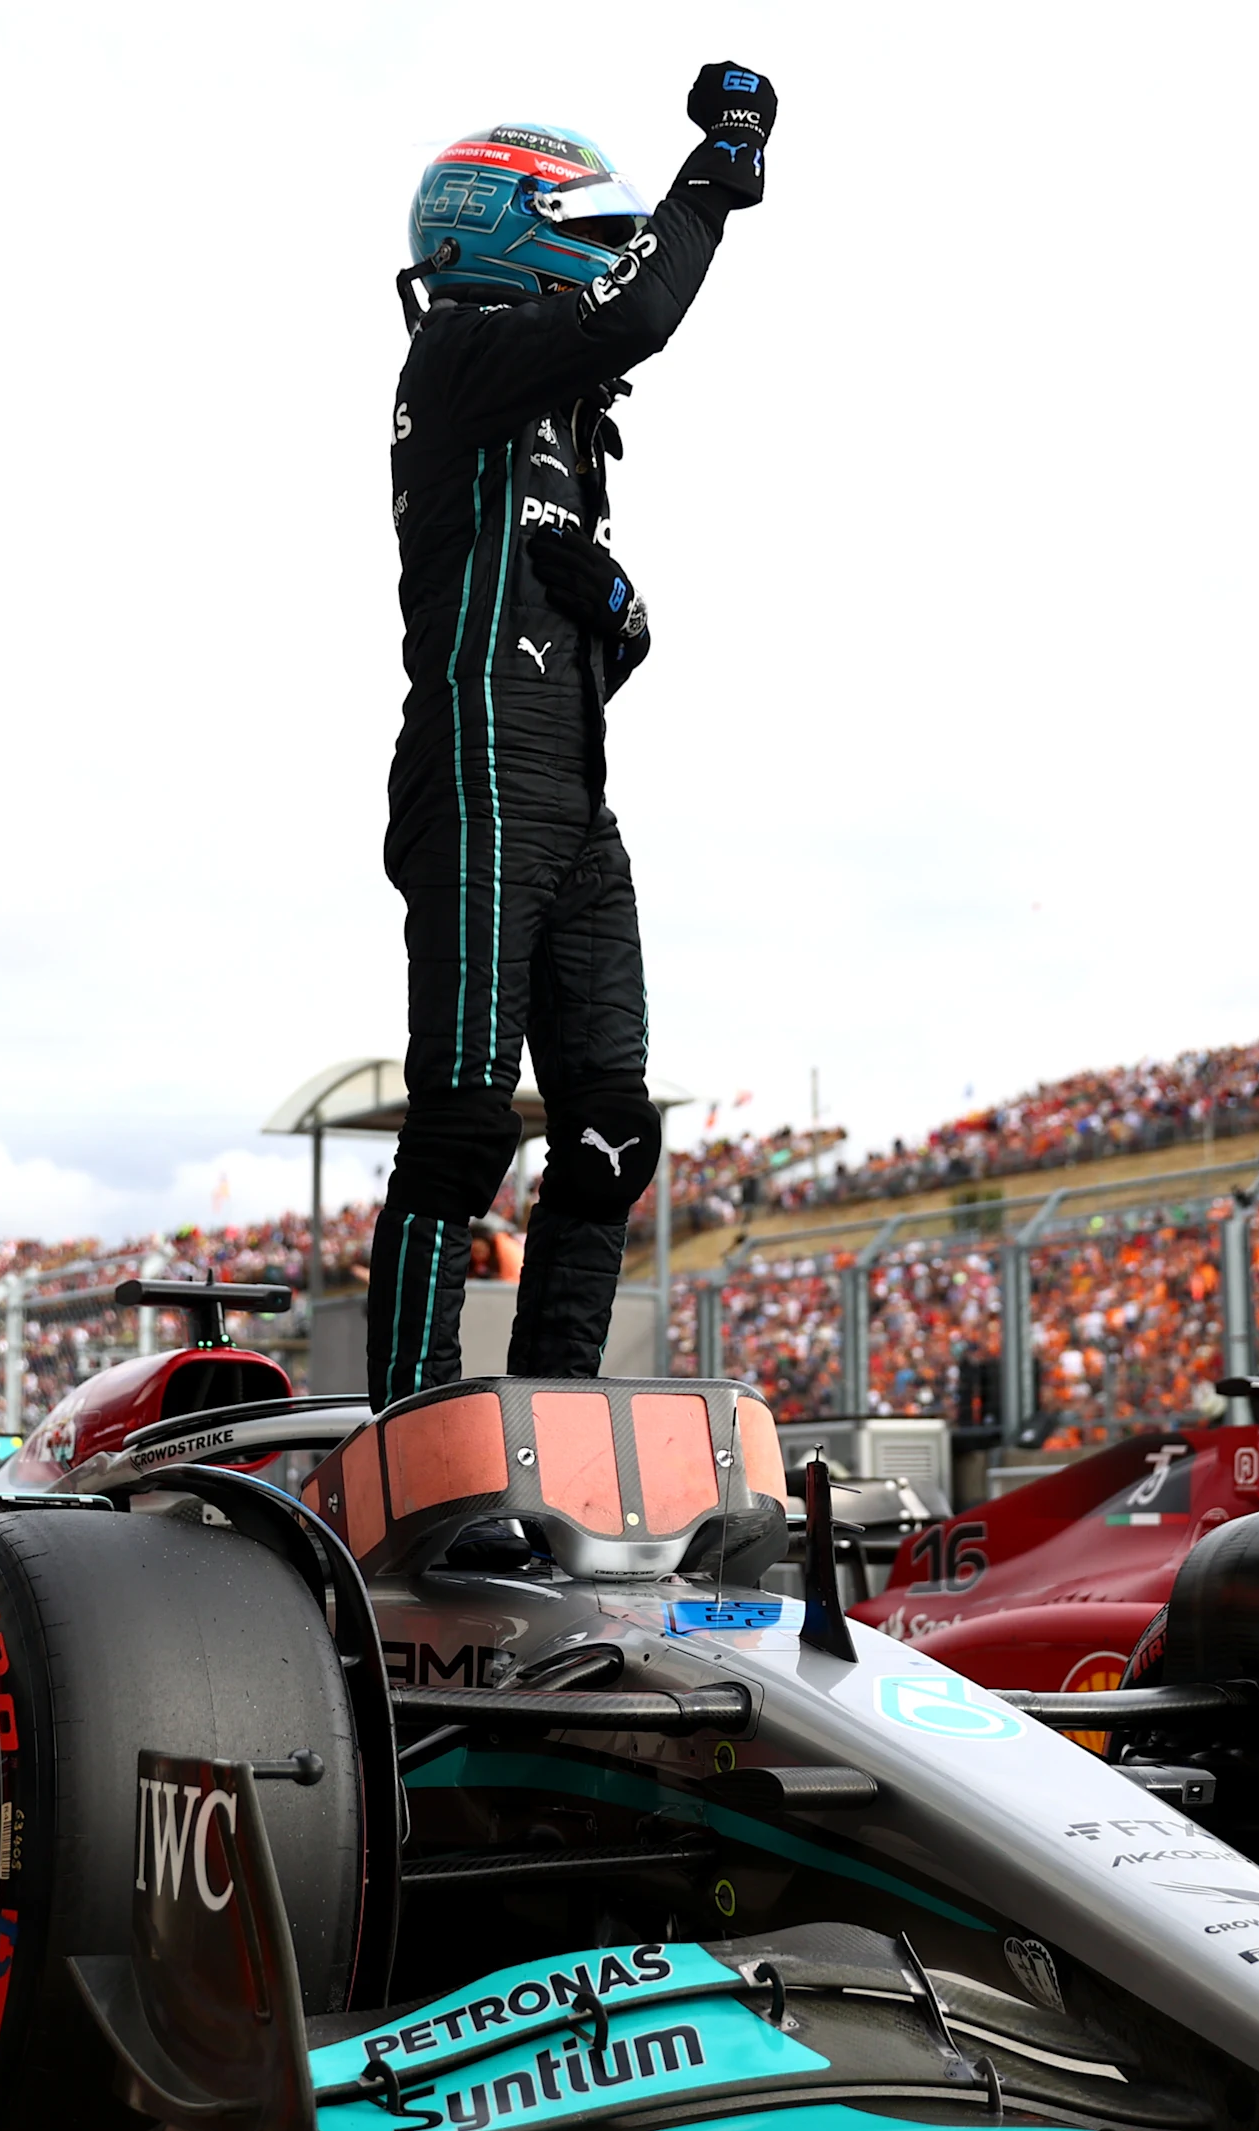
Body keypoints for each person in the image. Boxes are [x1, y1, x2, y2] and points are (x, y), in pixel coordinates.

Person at [365, 62, 777, 1408]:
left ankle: (558, 1422)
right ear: (506, 224)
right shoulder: (465, 352)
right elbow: (645, 306)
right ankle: (411, 1438)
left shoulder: (552, 414)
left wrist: (621, 610)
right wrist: (717, 166)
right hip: (476, 773)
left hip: (572, 791)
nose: (602, 258)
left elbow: (588, 638)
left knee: (610, 1129)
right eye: (584, 231)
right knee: (466, 1124)